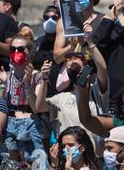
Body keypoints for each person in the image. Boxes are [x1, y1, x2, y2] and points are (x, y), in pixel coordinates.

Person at [35, 21, 109, 156]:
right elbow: (39, 107)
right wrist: (44, 79)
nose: (72, 59)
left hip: (94, 157)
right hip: (68, 158)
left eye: (77, 57)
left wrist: (91, 43)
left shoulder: (96, 90)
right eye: (68, 58)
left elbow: (102, 69)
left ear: (85, 63)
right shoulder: (61, 98)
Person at [0, 34, 50, 170]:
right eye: (12, 49)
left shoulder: (38, 76)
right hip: (10, 123)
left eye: (21, 49)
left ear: (30, 54)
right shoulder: (6, 75)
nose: (16, 53)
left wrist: (27, 83)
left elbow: (36, 107)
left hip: (30, 123)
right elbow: (1, 106)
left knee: (39, 169)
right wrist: (2, 84)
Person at [53, 0, 104, 65]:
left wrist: (90, 42)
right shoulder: (63, 22)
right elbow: (57, 58)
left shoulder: (102, 20)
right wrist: (72, 46)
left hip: (95, 71)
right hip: (72, 73)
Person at [33, 5, 62, 98]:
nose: (50, 20)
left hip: (59, 92)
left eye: (54, 17)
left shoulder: (65, 44)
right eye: (46, 17)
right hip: (40, 91)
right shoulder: (37, 43)